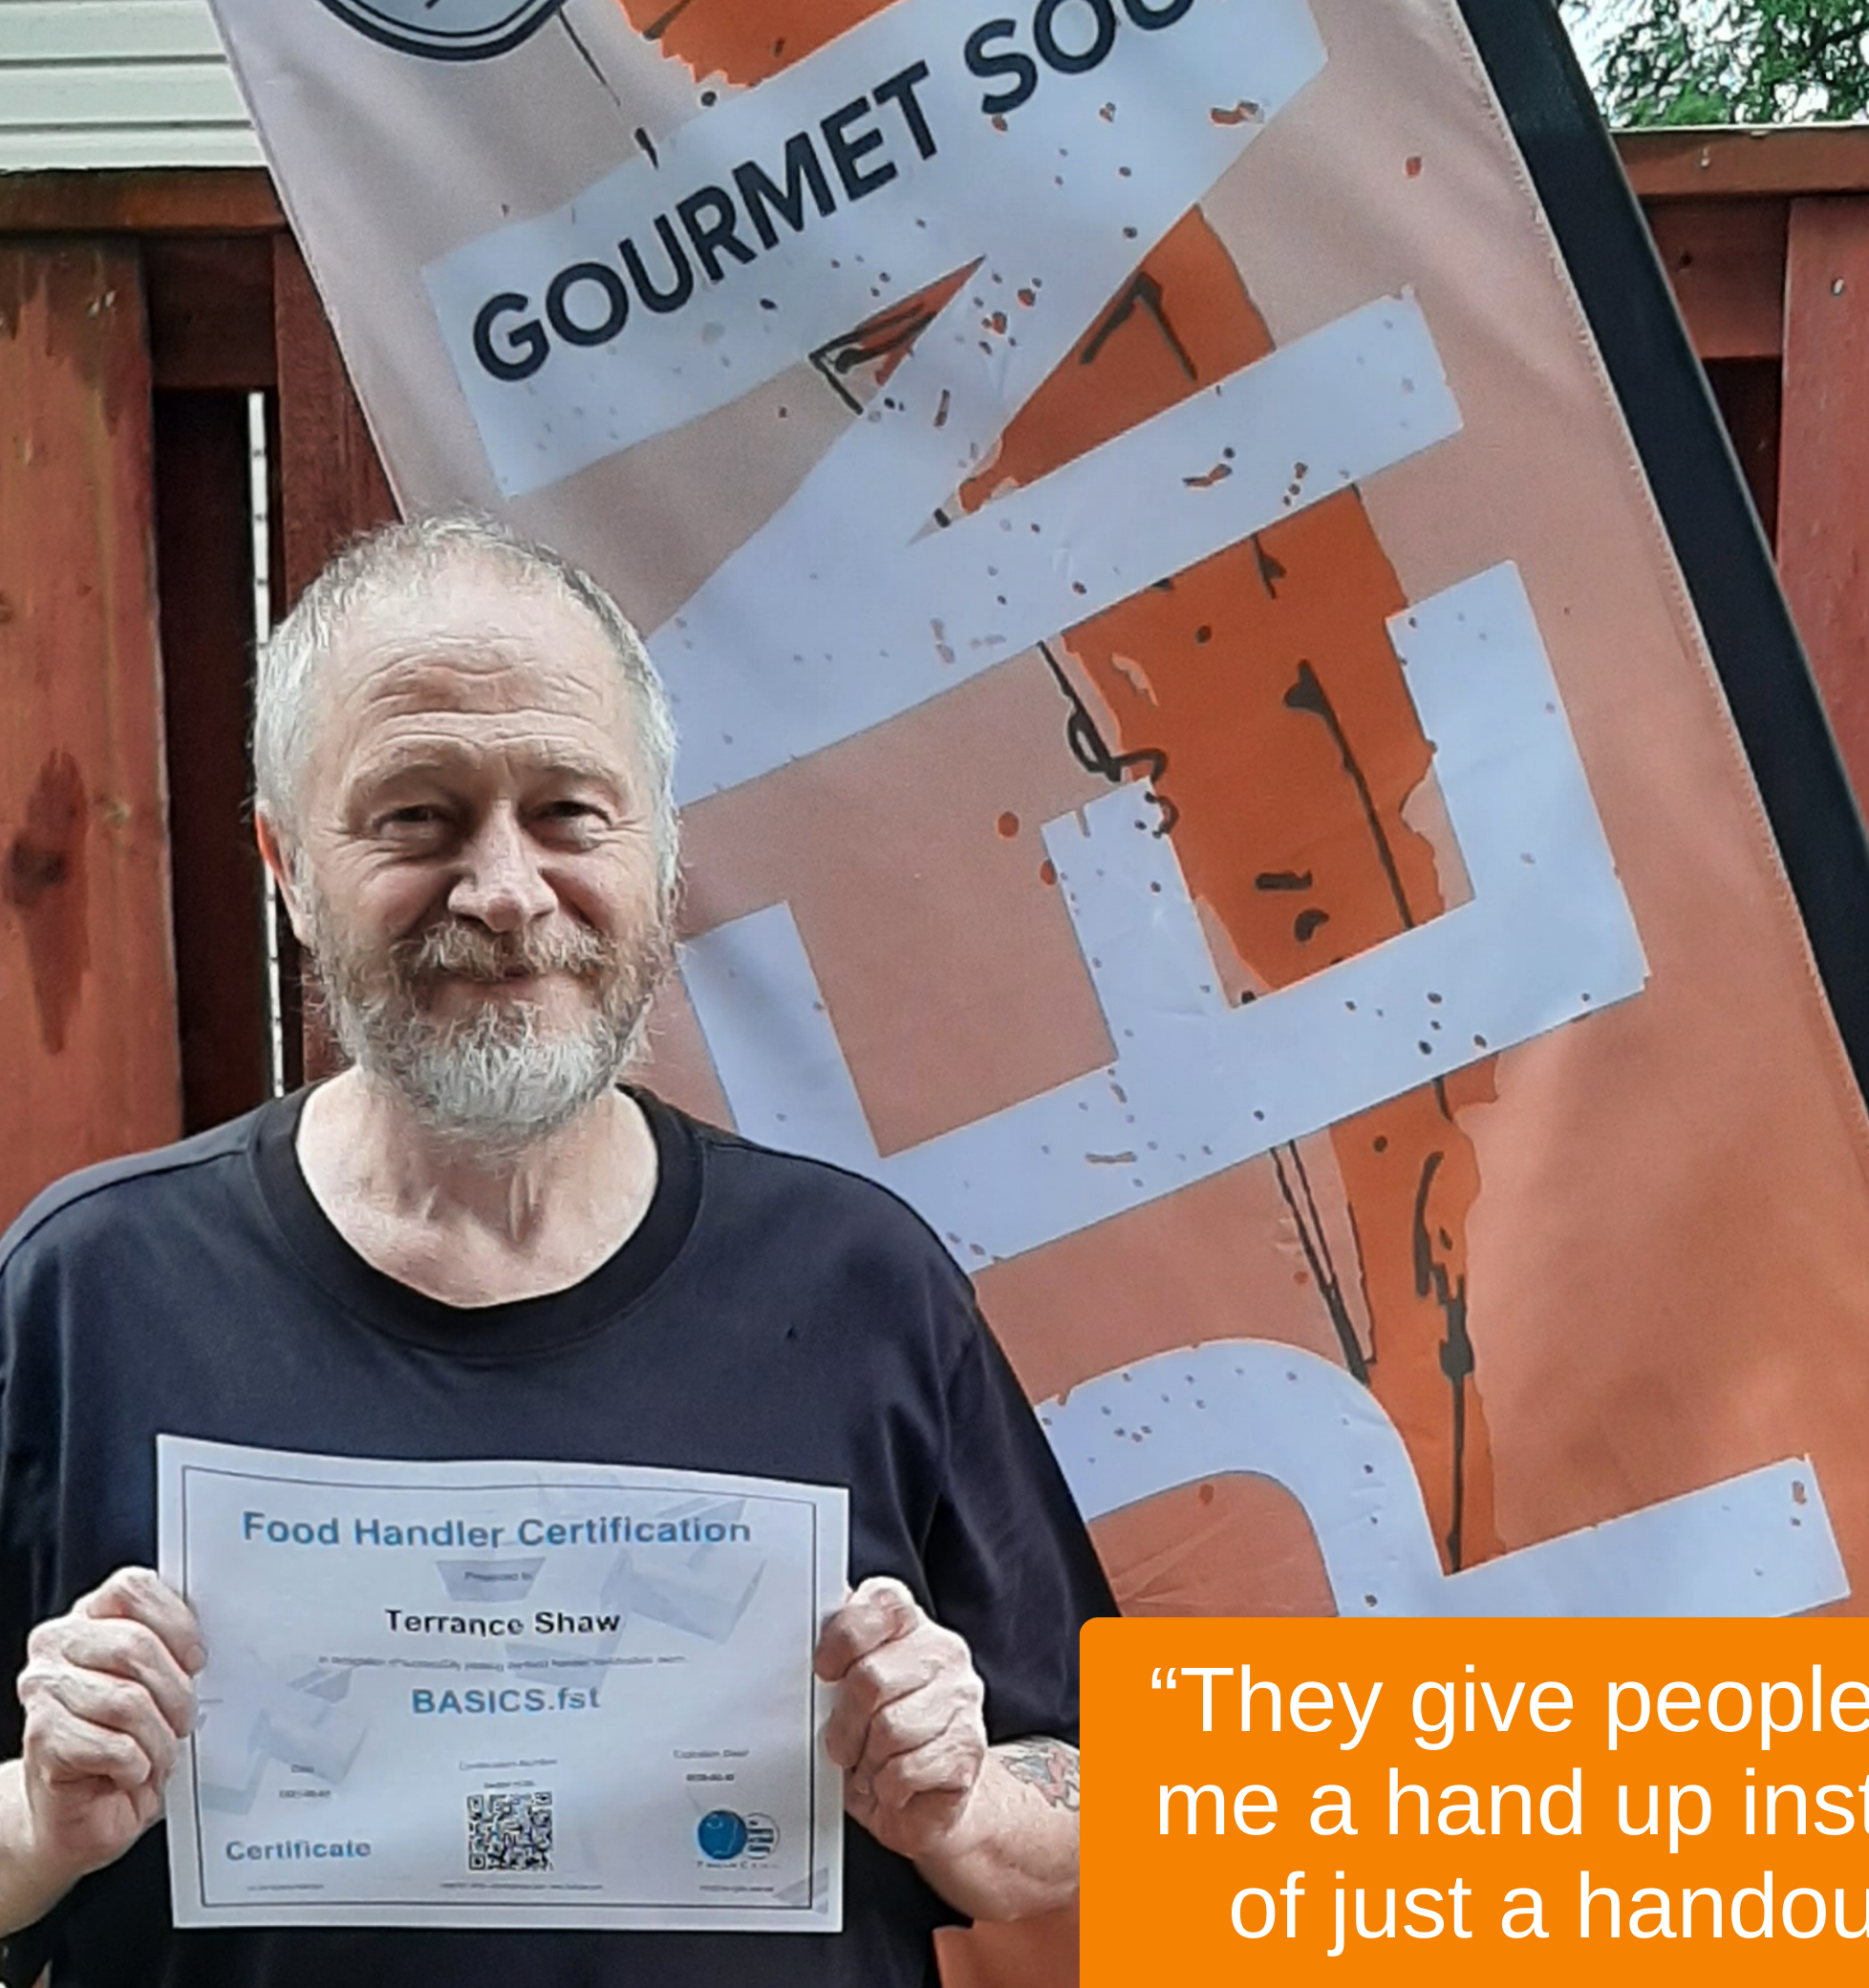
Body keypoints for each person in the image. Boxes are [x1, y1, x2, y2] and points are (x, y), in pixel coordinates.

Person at [0, 513, 1114, 1988]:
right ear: (283, 862)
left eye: (570, 812)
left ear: (659, 849)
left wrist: (972, 1810)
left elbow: (1118, 1784)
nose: (506, 891)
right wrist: (37, 1821)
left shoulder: (858, 1282)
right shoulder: (93, 1289)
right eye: (417, 815)